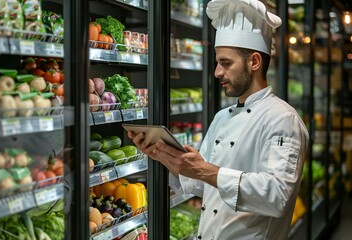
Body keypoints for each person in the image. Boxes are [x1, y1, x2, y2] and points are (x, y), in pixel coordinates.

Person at [128, 0, 309, 239]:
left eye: (226, 63)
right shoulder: (222, 117)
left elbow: (277, 197)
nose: (217, 72)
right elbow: (206, 186)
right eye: (217, 62)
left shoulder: (283, 119)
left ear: (254, 62)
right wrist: (166, 156)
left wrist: (205, 171)